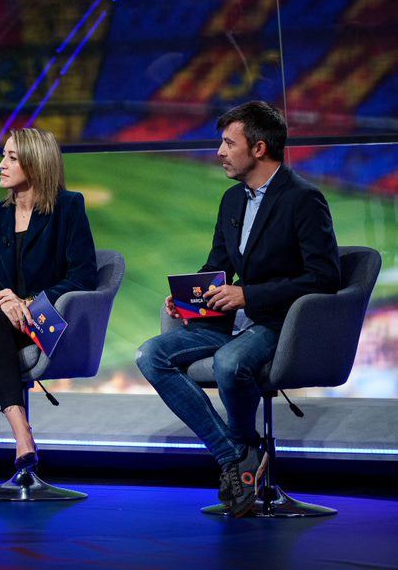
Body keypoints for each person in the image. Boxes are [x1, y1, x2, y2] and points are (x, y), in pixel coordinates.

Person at [136, 101, 339, 517]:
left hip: (280, 323)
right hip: (232, 321)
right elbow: (216, 267)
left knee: (230, 363)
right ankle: (237, 455)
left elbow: (324, 278)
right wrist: (188, 298)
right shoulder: (232, 200)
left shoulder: (303, 199)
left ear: (259, 148)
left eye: (229, 143)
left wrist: (250, 295)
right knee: (150, 355)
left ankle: (241, 456)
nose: (219, 152)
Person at [0, 127, 98, 507]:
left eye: (12, 157)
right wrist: (0, 298)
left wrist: (27, 302)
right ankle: (19, 432)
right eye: (3, 155)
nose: (2, 164)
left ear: (36, 162)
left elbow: (83, 275)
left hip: (46, 322)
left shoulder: (68, 207)